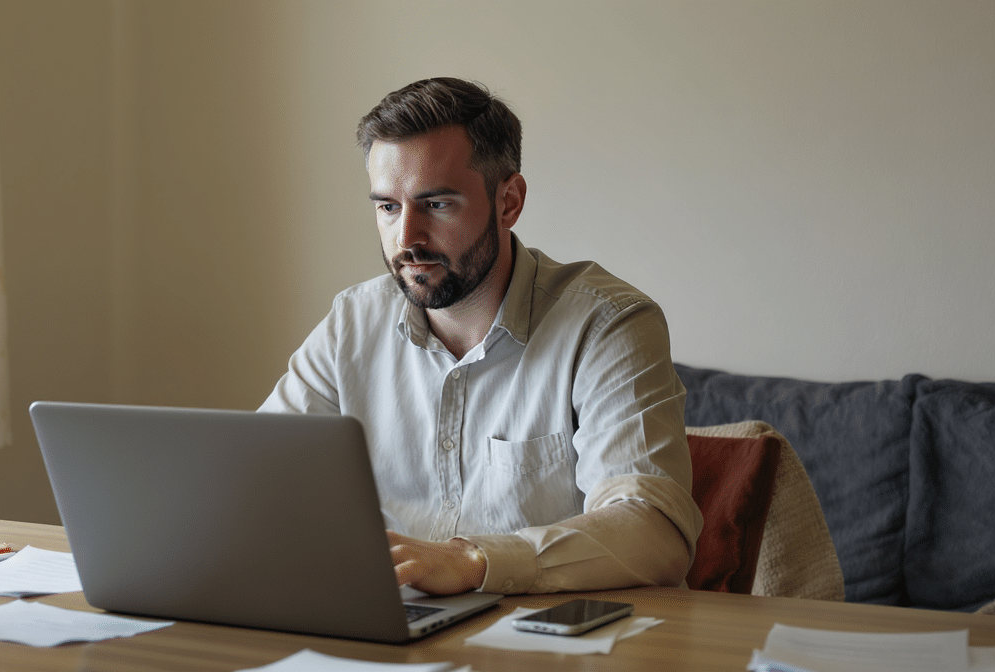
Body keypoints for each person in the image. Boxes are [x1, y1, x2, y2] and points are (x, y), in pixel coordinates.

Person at [259, 77, 703, 596]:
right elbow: (257, 482)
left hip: (565, 645)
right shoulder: (352, 325)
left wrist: (472, 561)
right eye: (387, 207)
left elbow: (655, 531)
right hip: (399, 637)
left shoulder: (607, 325)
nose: (406, 239)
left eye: (436, 204)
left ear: (509, 202)